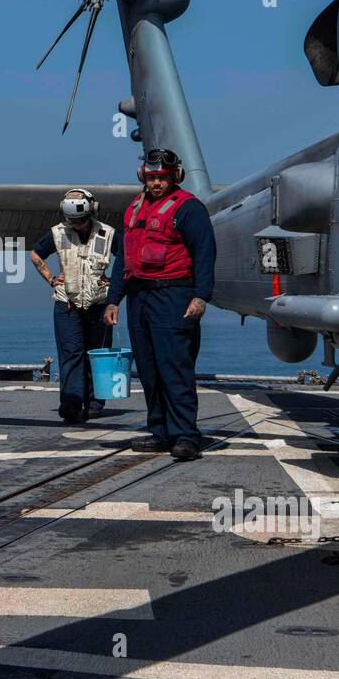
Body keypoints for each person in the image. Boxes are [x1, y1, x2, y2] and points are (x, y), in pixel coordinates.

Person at [104, 148, 216, 461]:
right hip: (139, 297)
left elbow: (205, 252)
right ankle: (161, 431)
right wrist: (114, 299)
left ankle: (185, 435)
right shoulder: (134, 209)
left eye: (162, 178)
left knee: (174, 366)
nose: (156, 183)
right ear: (144, 176)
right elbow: (124, 258)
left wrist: (200, 295)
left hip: (174, 295)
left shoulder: (189, 209)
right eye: (152, 177)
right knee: (149, 367)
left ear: (174, 176)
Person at [30, 188, 114, 423]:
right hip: (66, 303)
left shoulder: (108, 234)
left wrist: (114, 283)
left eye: (81, 220)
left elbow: (127, 258)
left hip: (98, 303)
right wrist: (50, 278)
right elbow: (36, 254)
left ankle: (96, 402)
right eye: (73, 221)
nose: (77, 225)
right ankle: (71, 402)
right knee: (72, 353)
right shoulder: (58, 233)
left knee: (97, 353)